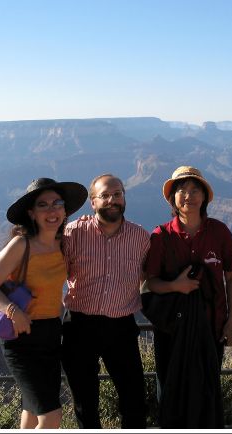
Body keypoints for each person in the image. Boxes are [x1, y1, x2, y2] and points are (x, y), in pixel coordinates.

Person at [0, 177, 87, 429]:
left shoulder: (65, 245)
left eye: (57, 203)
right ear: (32, 213)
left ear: (64, 209)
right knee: (51, 418)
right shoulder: (21, 245)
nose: (52, 210)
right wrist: (12, 310)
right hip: (21, 337)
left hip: (51, 334)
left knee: (31, 411)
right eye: (43, 205)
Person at [144, 166, 232, 428]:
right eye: (182, 190)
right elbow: (149, 283)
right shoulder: (160, 236)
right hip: (171, 332)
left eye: (195, 190)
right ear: (173, 198)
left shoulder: (220, 232)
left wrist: (231, 322)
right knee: (171, 393)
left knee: (206, 392)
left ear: (205, 196)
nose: (189, 196)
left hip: (211, 328)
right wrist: (176, 286)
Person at [61, 174, 150, 429]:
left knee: (134, 401)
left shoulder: (141, 238)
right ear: (93, 202)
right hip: (79, 326)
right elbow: (52, 273)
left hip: (121, 327)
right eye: (105, 195)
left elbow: (149, 278)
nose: (112, 200)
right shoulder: (73, 233)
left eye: (118, 194)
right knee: (85, 403)